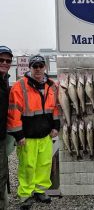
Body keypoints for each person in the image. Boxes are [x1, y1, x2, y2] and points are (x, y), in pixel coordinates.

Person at [7, 55, 60, 210]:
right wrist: (18, 135)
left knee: (44, 164)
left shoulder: (52, 86)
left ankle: (39, 191)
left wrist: (56, 126)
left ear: (45, 68)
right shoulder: (19, 86)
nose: (38, 69)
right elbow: (13, 113)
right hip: (27, 137)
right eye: (35, 66)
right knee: (27, 166)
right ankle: (25, 195)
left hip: (45, 135)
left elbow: (55, 109)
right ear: (29, 68)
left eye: (41, 66)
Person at [0, 46, 13, 210]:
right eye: (1, 59)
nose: (4, 63)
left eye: (8, 61)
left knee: (2, 173)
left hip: (2, 136)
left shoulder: (5, 82)